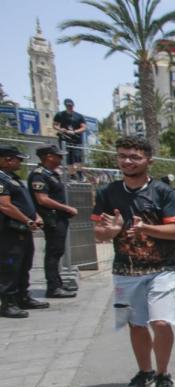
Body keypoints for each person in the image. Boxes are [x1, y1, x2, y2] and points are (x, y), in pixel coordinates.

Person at [91, 135, 175, 387]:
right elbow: (98, 232)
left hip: (161, 269)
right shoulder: (107, 193)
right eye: (122, 156)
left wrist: (145, 228)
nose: (127, 161)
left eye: (135, 157)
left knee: (161, 322)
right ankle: (145, 372)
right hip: (125, 271)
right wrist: (111, 231)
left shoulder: (163, 192)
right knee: (137, 324)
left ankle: (163, 374)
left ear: (148, 161)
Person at [0, 145, 48, 318]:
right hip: (9, 232)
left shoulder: (12, 178)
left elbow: (24, 201)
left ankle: (22, 297)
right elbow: (4, 205)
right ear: (7, 159)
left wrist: (35, 216)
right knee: (10, 267)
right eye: (18, 160)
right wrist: (27, 220)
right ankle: (8, 303)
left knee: (24, 264)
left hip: (23, 230)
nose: (20, 163)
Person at [28, 145, 78, 298]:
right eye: (58, 156)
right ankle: (53, 287)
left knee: (57, 252)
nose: (61, 158)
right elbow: (42, 199)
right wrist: (66, 208)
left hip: (59, 218)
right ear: (49, 157)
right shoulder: (39, 175)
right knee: (53, 253)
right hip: (52, 218)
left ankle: (57, 283)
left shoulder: (51, 174)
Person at [53, 99, 86, 175]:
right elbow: (54, 125)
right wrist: (60, 129)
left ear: (73, 105)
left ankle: (79, 174)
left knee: (78, 157)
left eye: (71, 105)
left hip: (76, 140)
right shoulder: (60, 115)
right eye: (68, 106)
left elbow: (84, 127)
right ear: (65, 106)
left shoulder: (79, 116)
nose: (69, 107)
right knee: (68, 159)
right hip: (65, 139)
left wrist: (74, 132)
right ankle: (72, 175)